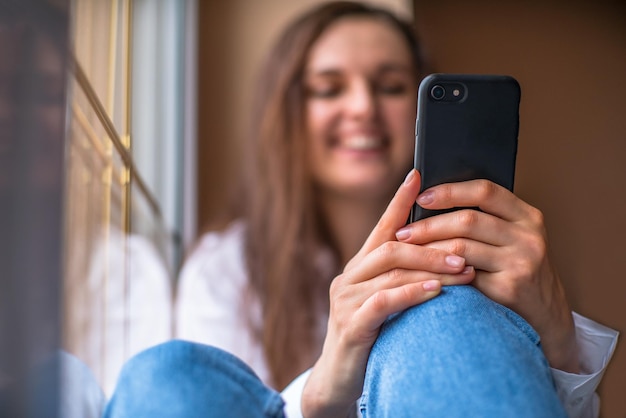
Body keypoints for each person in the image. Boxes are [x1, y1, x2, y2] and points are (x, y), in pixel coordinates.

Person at [104, 2, 618, 417]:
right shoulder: (229, 268)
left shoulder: (490, 252)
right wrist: (325, 390)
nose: (362, 108)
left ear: (420, 111)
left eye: (391, 86)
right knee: (169, 371)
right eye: (329, 89)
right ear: (289, 116)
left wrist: (558, 342)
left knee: (445, 313)